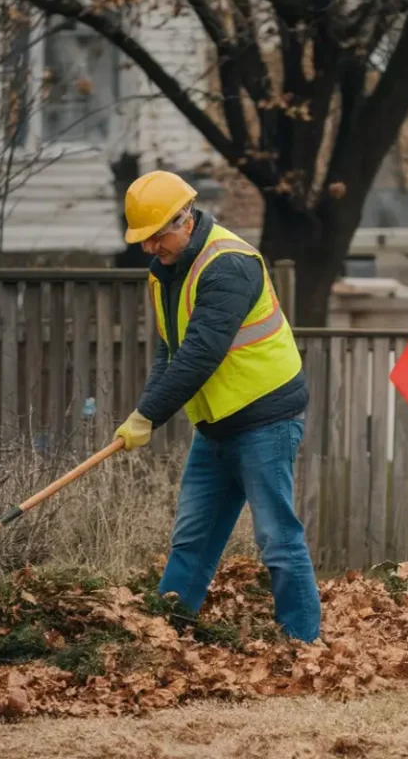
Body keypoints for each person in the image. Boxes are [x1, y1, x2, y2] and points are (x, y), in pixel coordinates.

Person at [112, 170, 322, 643]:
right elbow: (170, 349)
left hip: (266, 416)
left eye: (155, 237)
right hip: (215, 424)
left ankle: (304, 643)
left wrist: (149, 416)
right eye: (142, 240)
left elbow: (200, 353)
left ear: (184, 220)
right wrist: (144, 409)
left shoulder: (229, 264)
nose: (149, 248)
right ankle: (164, 636)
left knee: (276, 539)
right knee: (192, 538)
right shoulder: (164, 272)